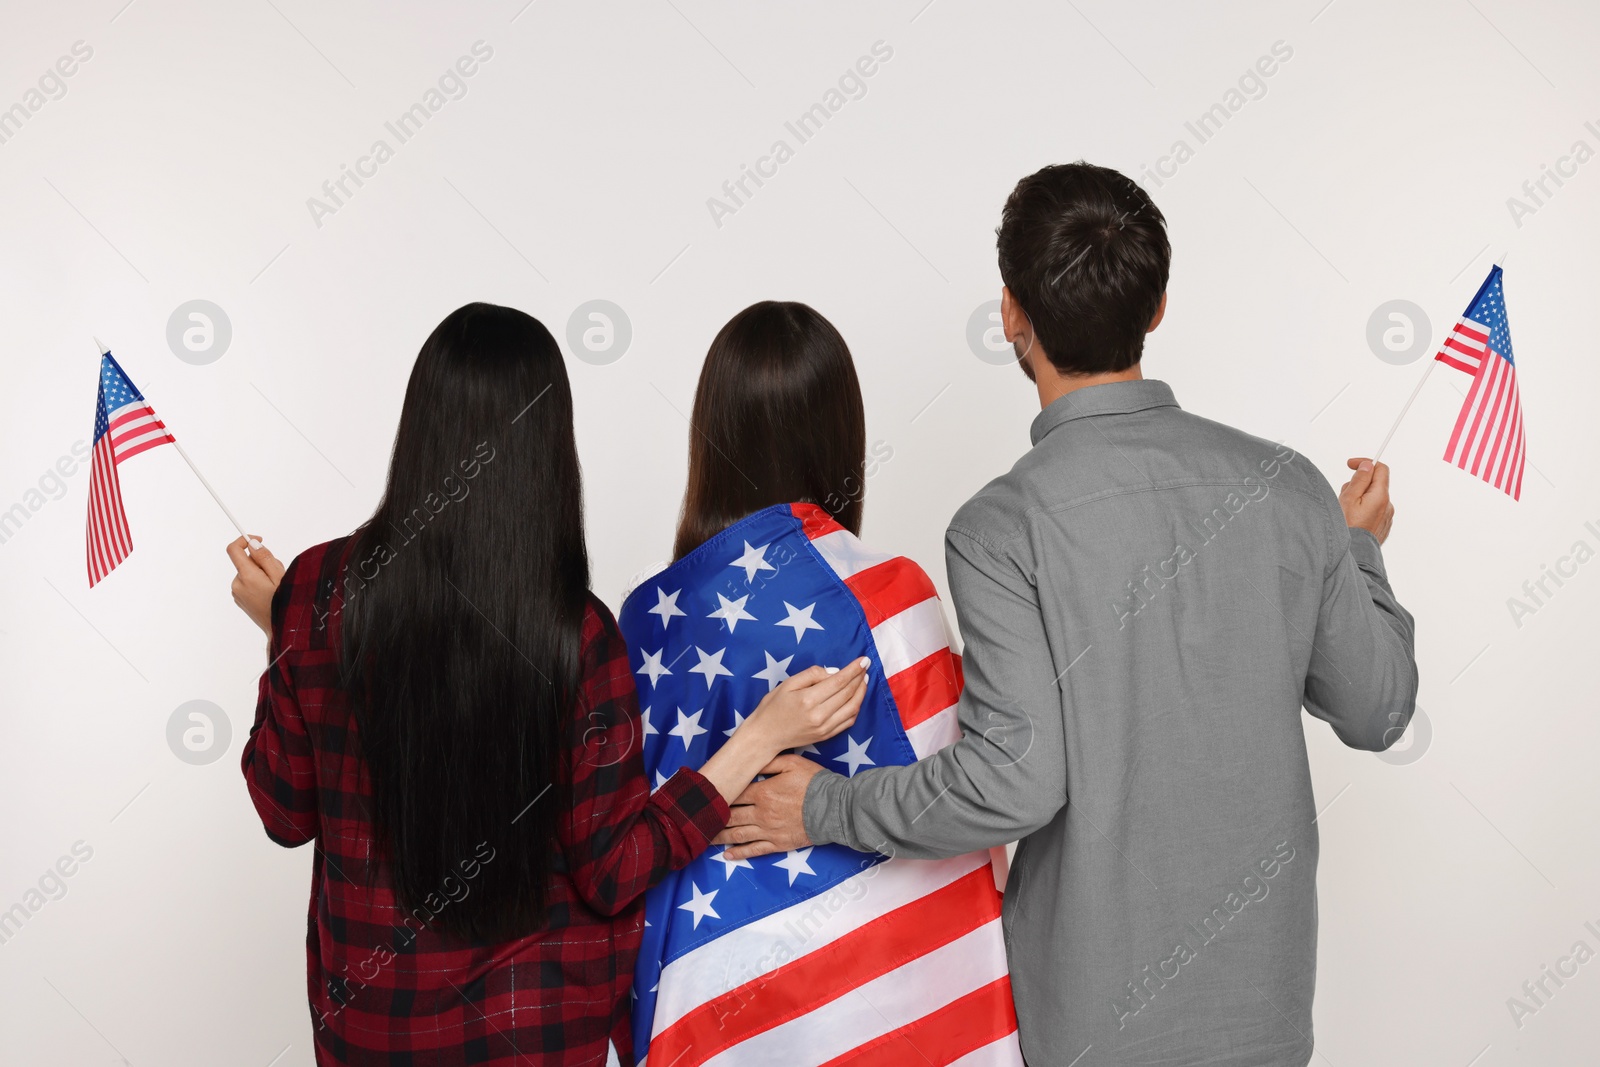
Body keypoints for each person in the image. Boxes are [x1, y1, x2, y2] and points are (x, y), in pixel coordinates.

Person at [716, 165, 1419, 1066]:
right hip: (1266, 1021)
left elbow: (1013, 780)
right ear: (1157, 307)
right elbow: (1379, 708)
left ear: (1011, 313)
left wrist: (826, 806)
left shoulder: (999, 528)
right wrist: (1356, 547)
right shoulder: (1289, 489)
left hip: (1088, 1031)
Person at [224, 302, 868, 1067]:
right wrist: (755, 738)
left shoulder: (315, 593)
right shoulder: (578, 635)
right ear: (548, 450)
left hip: (369, 1036)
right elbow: (613, 870)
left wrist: (286, 632)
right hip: (532, 1040)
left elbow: (283, 808)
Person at [616, 302, 1022, 1066]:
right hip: (895, 1000)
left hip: (715, 1002)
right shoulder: (896, 598)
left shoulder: (651, 620)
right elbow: (965, 810)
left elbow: (618, 848)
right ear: (841, 435)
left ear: (713, 435)